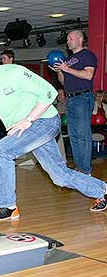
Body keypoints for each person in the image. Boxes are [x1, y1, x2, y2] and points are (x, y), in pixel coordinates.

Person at [0, 44, 107, 221]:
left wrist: (28, 119)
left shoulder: (14, 73)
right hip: (27, 130)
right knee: (60, 176)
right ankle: (103, 190)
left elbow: (49, 93)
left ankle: (7, 206)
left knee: (2, 150)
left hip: (45, 121)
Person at [53, 30, 97, 175]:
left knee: (83, 134)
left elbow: (88, 75)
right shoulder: (68, 59)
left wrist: (67, 68)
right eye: (67, 39)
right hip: (70, 98)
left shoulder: (87, 55)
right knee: (74, 135)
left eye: (70, 38)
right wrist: (60, 71)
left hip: (83, 98)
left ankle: (85, 170)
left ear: (80, 39)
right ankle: (79, 167)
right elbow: (64, 82)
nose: (68, 41)